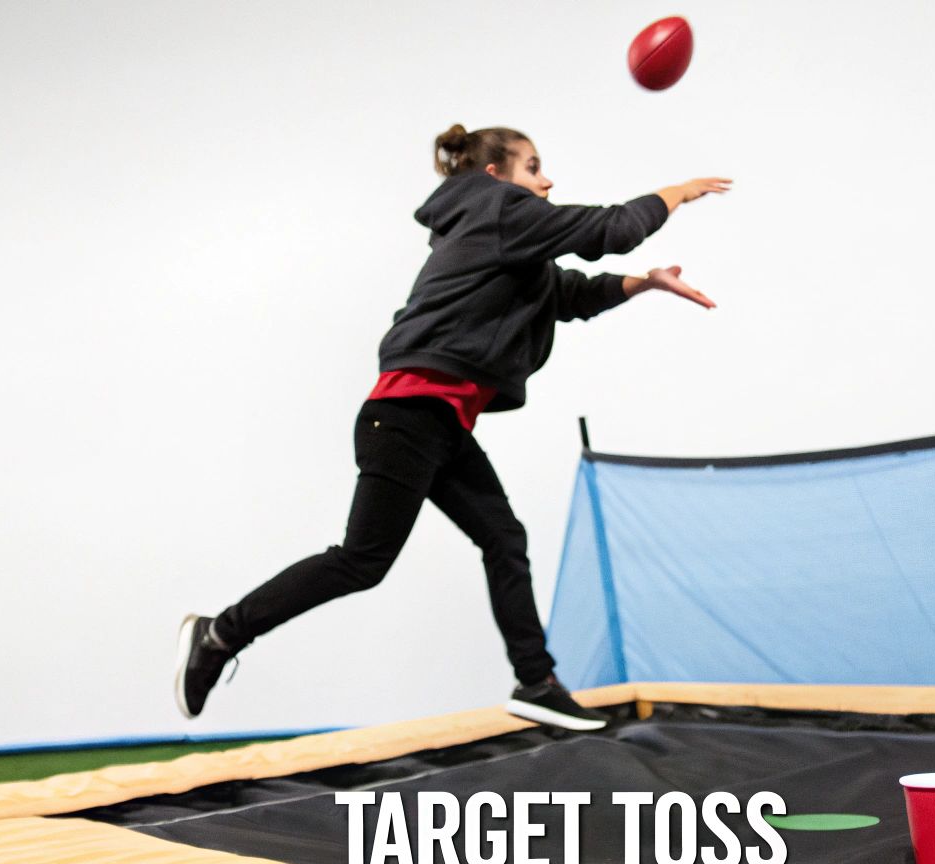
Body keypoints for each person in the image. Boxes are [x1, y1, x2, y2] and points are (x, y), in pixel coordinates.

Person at [173, 123, 729, 730]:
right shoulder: (498, 209)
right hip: (409, 414)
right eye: (533, 167)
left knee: (502, 537)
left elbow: (566, 293)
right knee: (362, 561)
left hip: (435, 422)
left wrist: (643, 284)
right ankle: (220, 633)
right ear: (496, 176)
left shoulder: (505, 237)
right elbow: (611, 230)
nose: (547, 180)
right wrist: (676, 190)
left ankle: (536, 683)